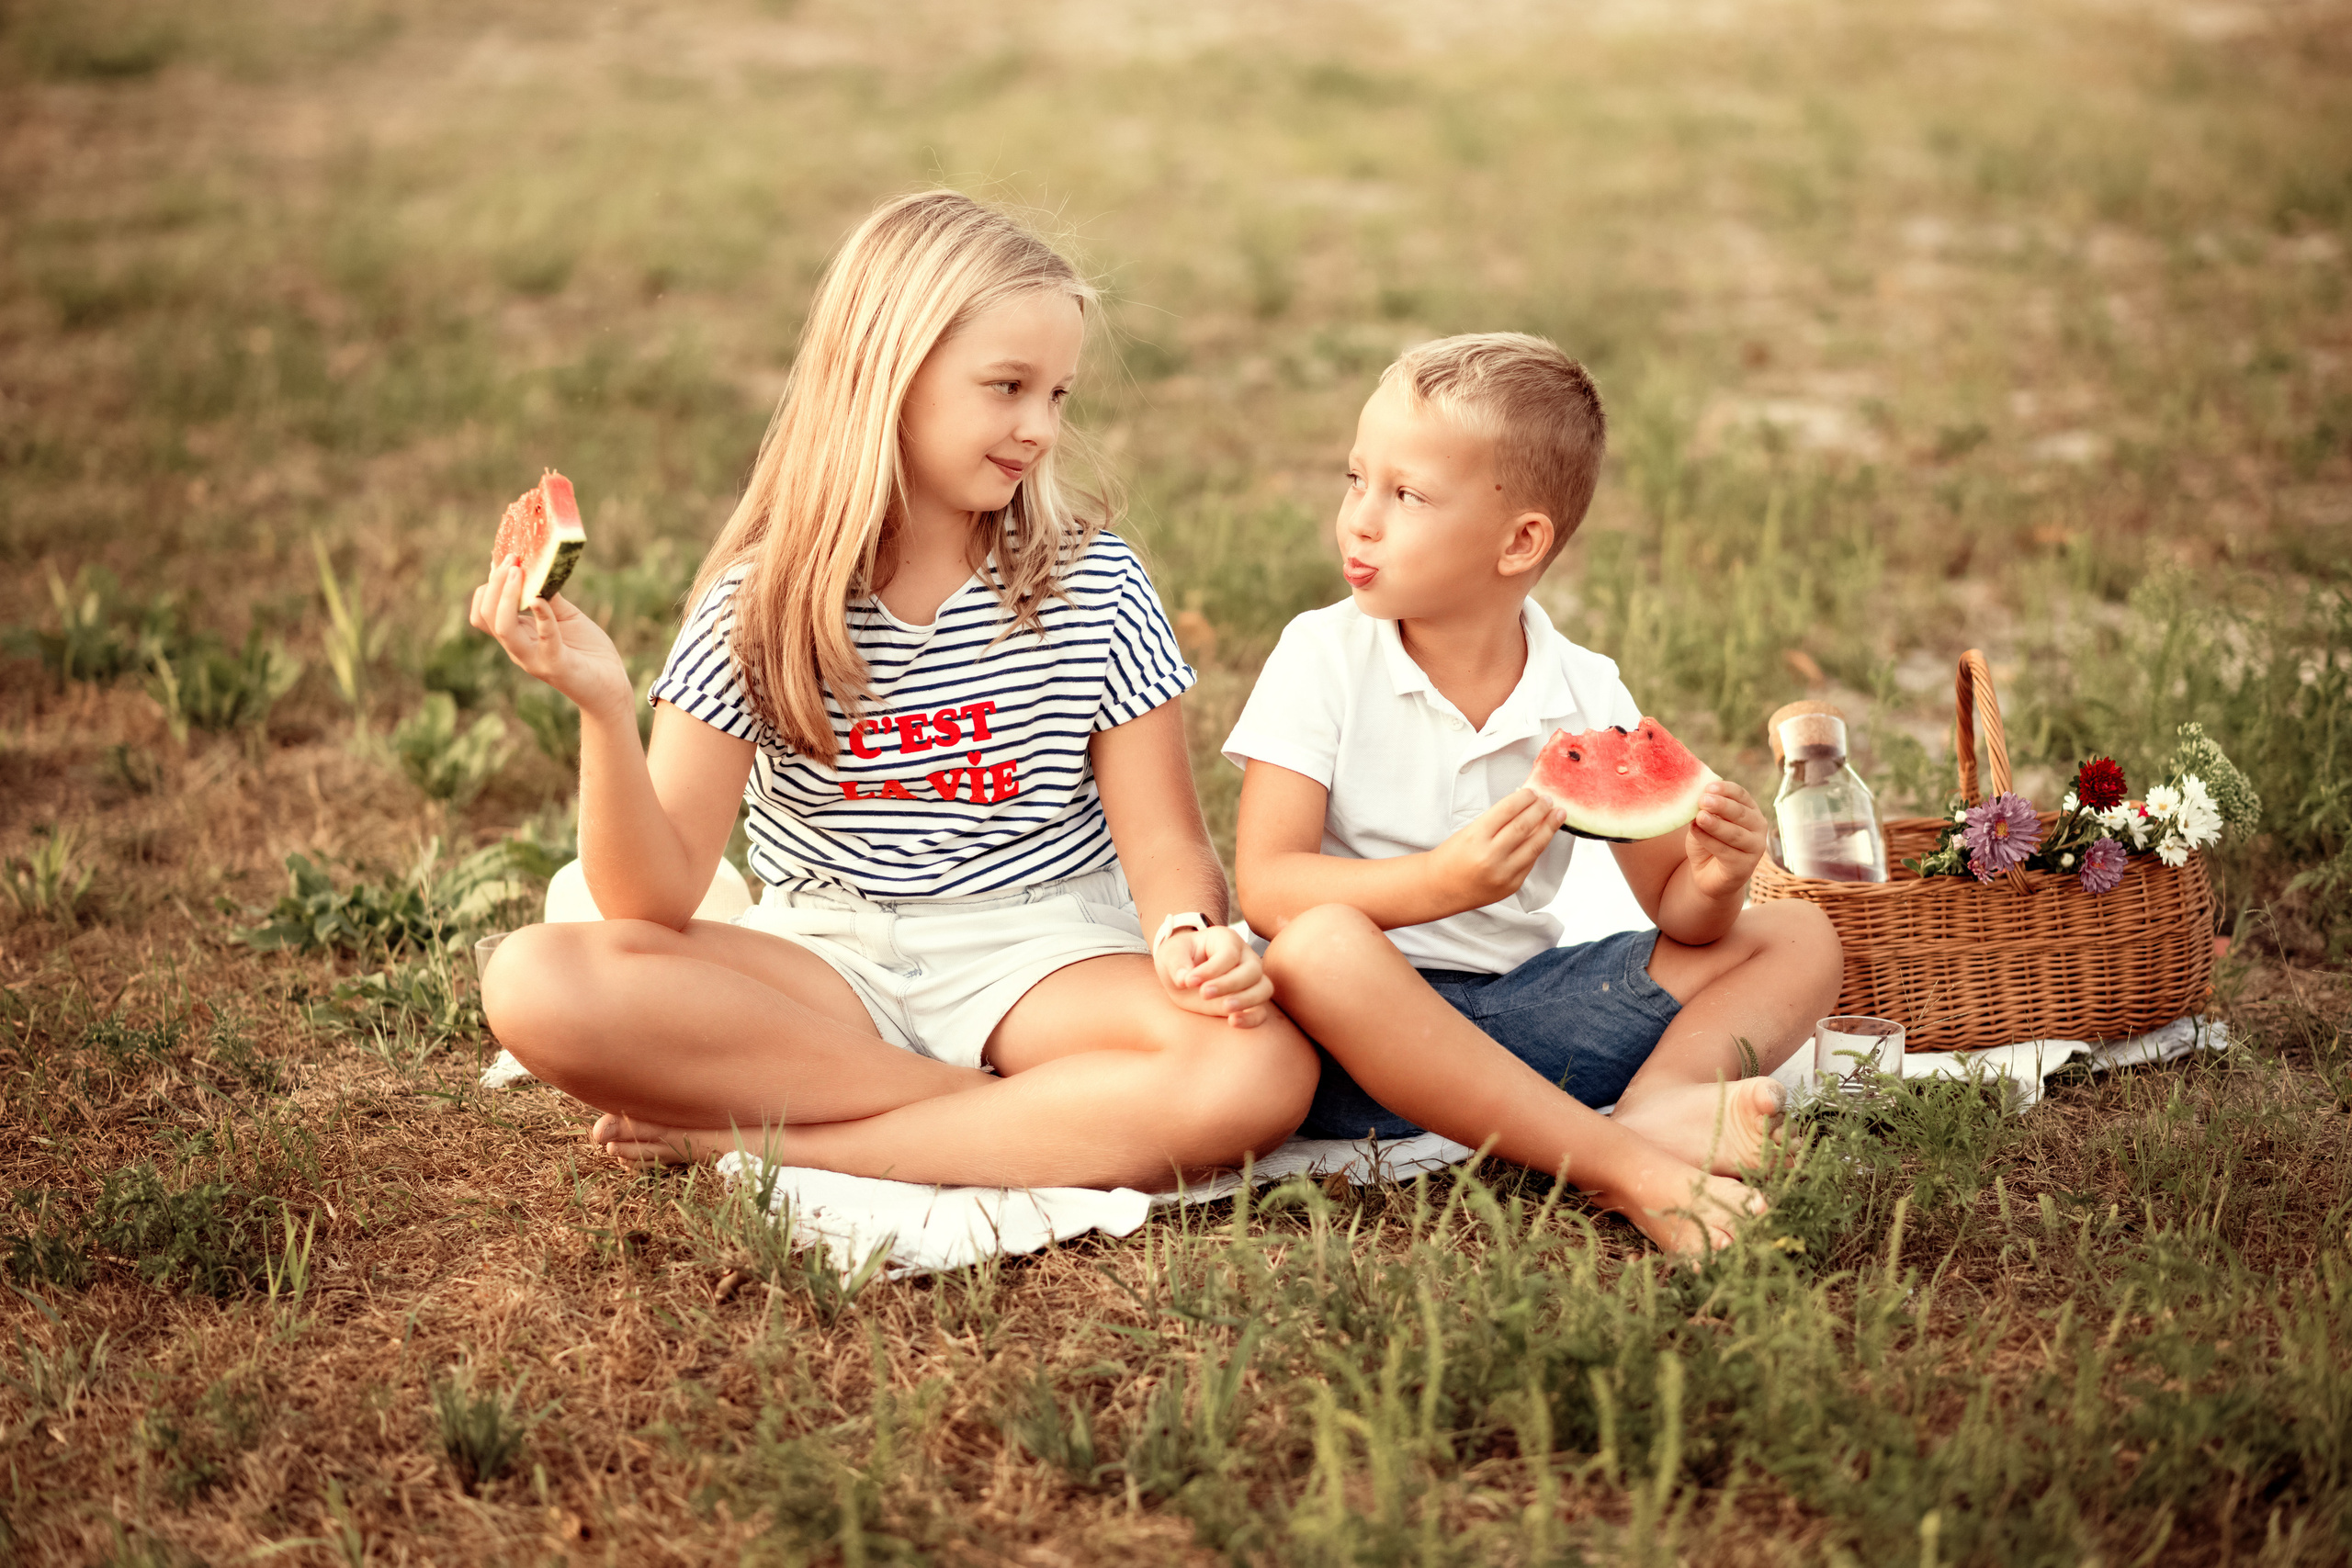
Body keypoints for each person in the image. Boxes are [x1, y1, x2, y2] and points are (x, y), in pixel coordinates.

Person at [473, 191, 1317, 1190]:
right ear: (890, 376)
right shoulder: (757, 604)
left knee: (1260, 1067)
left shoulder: (1095, 583)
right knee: (534, 980)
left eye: (1058, 395)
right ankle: (1007, 1114)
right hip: (829, 963)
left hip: (1040, 949)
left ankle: (770, 1137)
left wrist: (1183, 931)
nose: (1040, 428)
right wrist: (606, 711)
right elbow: (651, 900)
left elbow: (1169, 843)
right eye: (1007, 387)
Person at [1225, 333, 1841, 1254]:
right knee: (1316, 945)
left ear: (1519, 542)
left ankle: (1661, 1106)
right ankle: (1621, 1161)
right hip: (1348, 1046)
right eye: (1357, 479)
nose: (1359, 520)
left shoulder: (1585, 692)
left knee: (1799, 934)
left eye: (1406, 495)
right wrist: (1439, 884)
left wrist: (1714, 879)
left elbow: (1680, 917)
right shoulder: (1321, 656)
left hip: (1524, 1015)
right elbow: (1266, 888)